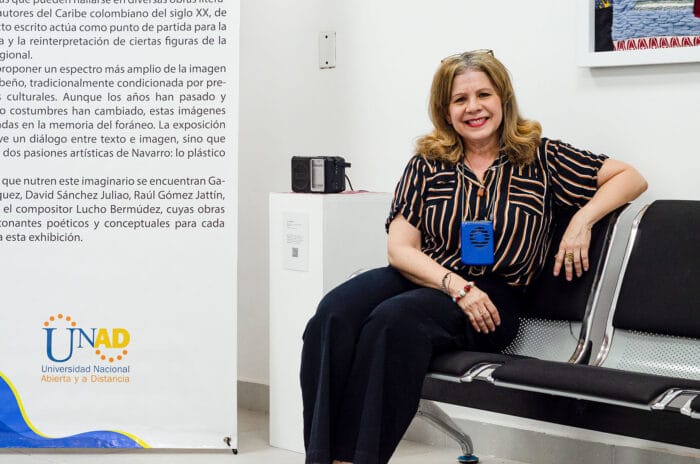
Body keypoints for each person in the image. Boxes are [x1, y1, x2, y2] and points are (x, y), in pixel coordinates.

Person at [299, 49, 647, 464]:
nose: (473, 107)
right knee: (333, 313)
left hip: (495, 297)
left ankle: (357, 459)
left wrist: (582, 220)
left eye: (483, 94)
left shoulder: (541, 157)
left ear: (503, 98)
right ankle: (323, 457)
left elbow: (630, 177)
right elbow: (400, 248)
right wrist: (457, 287)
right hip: (429, 275)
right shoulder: (427, 164)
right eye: (459, 99)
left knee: (395, 320)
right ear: (445, 110)